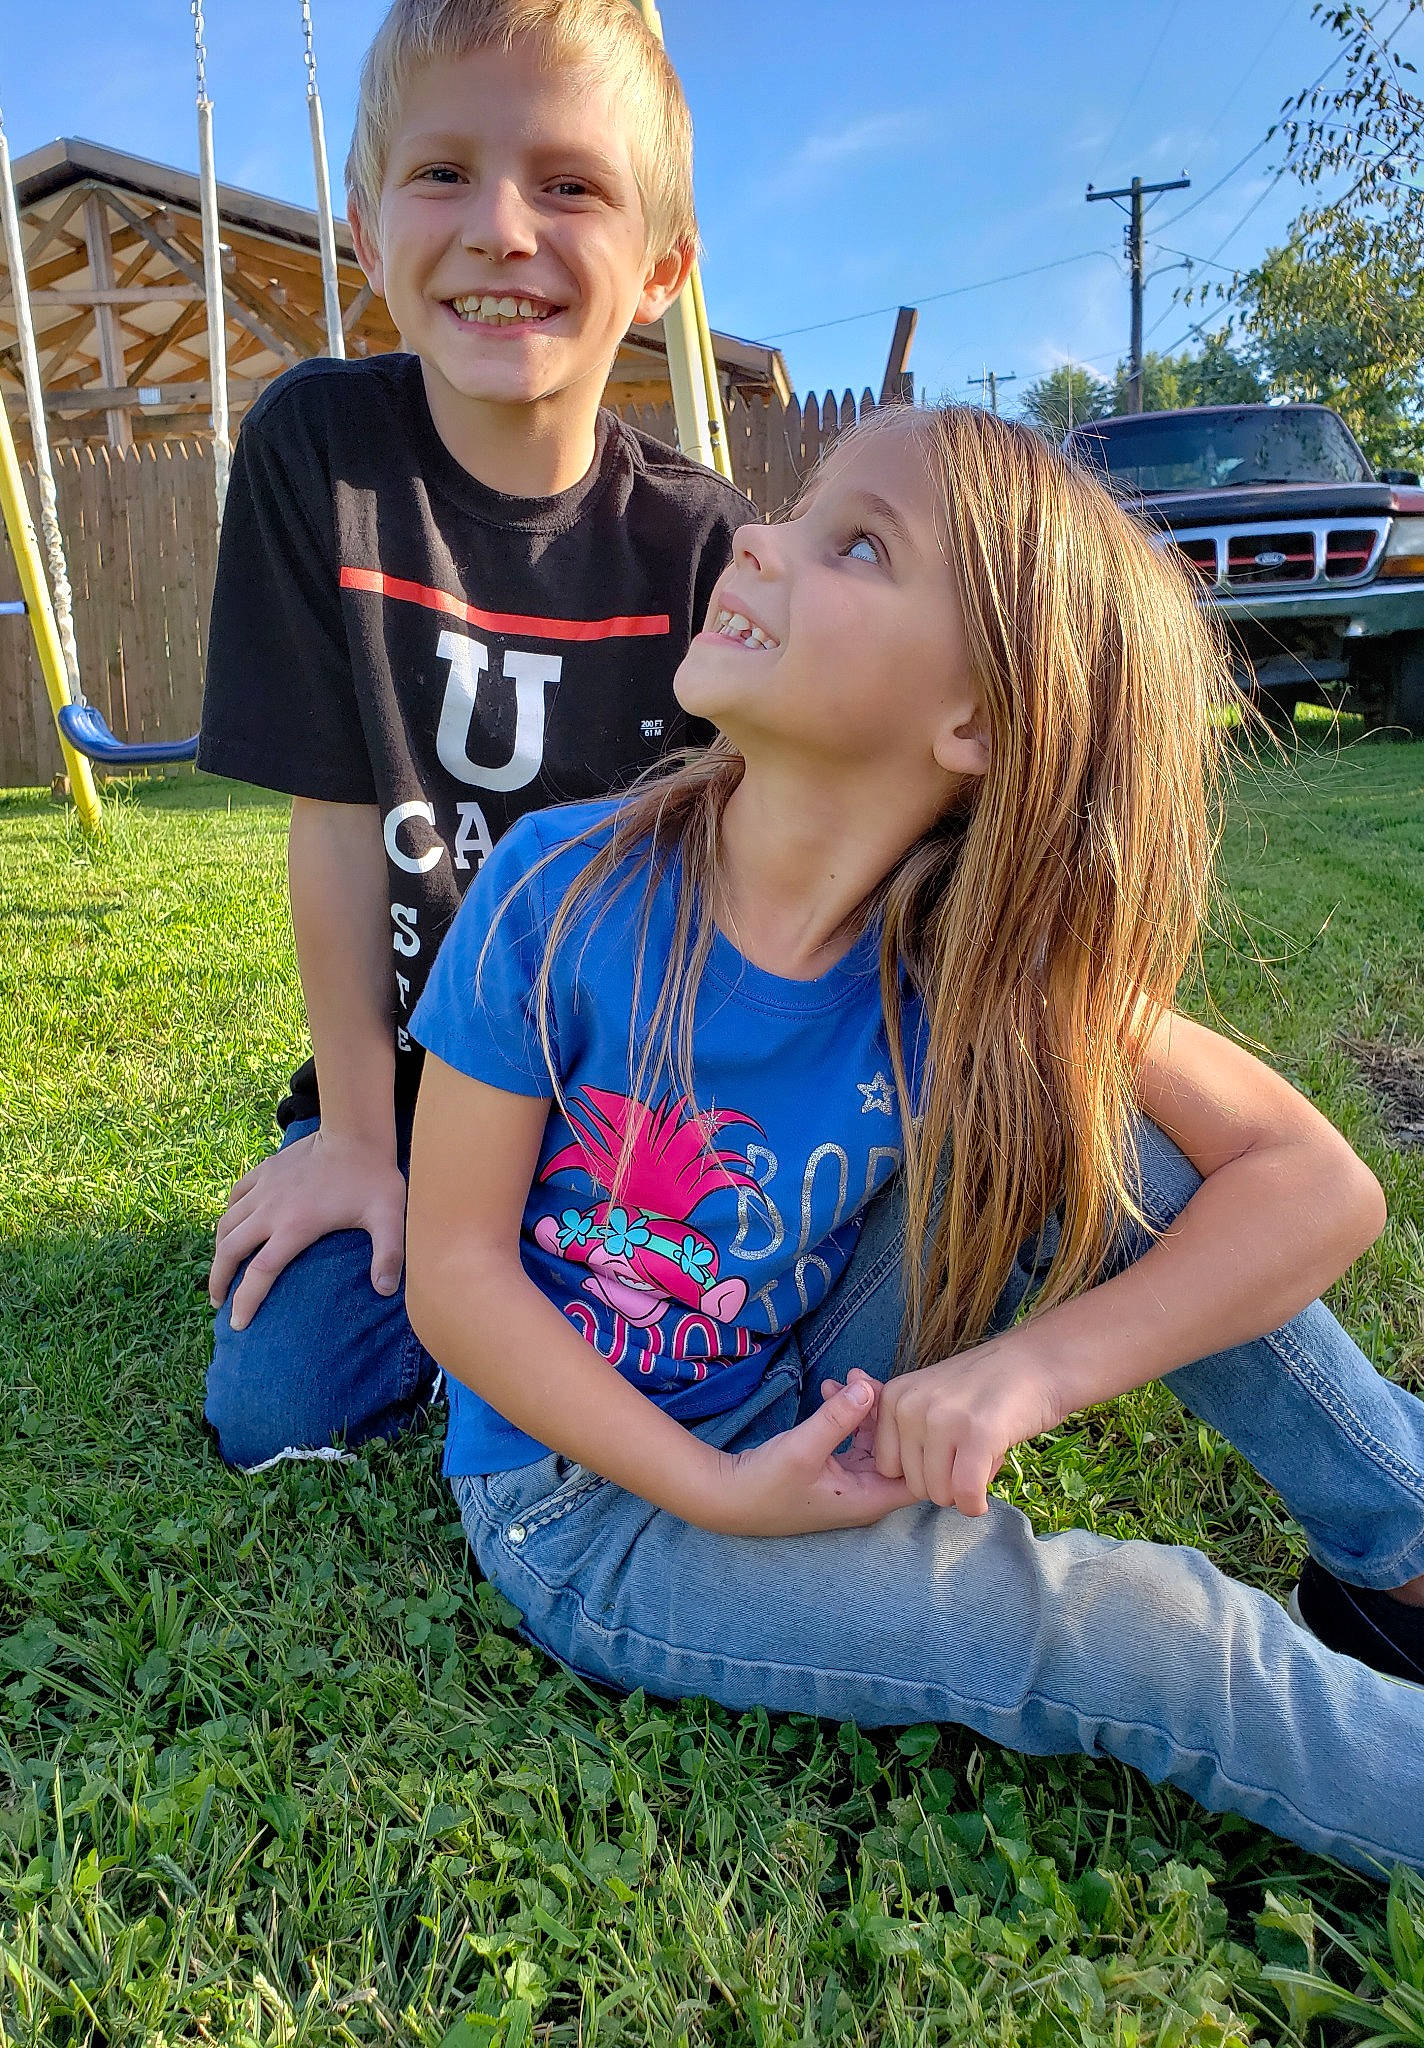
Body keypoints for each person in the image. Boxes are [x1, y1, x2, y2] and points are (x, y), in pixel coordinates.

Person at [403, 403, 1424, 1876]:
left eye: (858, 545)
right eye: (796, 513)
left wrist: (1030, 1373)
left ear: (980, 727)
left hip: (808, 1365)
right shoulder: (557, 893)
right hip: (591, 1509)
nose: (757, 541)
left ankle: (1403, 1555)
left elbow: (1318, 1190)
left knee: (1112, 1149)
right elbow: (454, 1278)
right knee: (1143, 1630)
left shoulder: (974, 963)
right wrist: (718, 1492)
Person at [196, 0, 753, 1470]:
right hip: (411, 1095)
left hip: (625, 1117)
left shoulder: (703, 546)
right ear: (368, 231)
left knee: (714, 1352)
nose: (502, 230)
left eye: (570, 185)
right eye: (443, 172)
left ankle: (528, 1302)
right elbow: (337, 824)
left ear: (662, 266)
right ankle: (452, 1265)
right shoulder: (319, 454)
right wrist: (356, 1141)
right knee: (278, 1403)